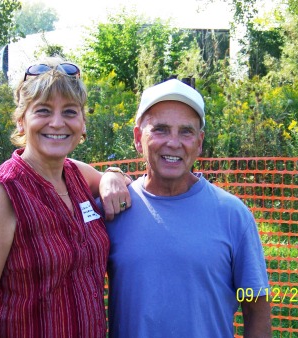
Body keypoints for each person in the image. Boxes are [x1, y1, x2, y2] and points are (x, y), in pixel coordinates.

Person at [0, 58, 131, 338]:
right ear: (21, 121)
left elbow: (118, 182)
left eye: (70, 111)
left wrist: (113, 174)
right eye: (43, 110)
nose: (57, 122)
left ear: (83, 123)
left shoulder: (77, 175)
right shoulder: (1, 192)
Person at [105, 79, 271, 337]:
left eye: (186, 131)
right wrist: (108, 175)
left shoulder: (233, 215)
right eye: (160, 129)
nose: (174, 142)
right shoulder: (114, 209)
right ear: (138, 138)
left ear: (199, 142)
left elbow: (256, 308)